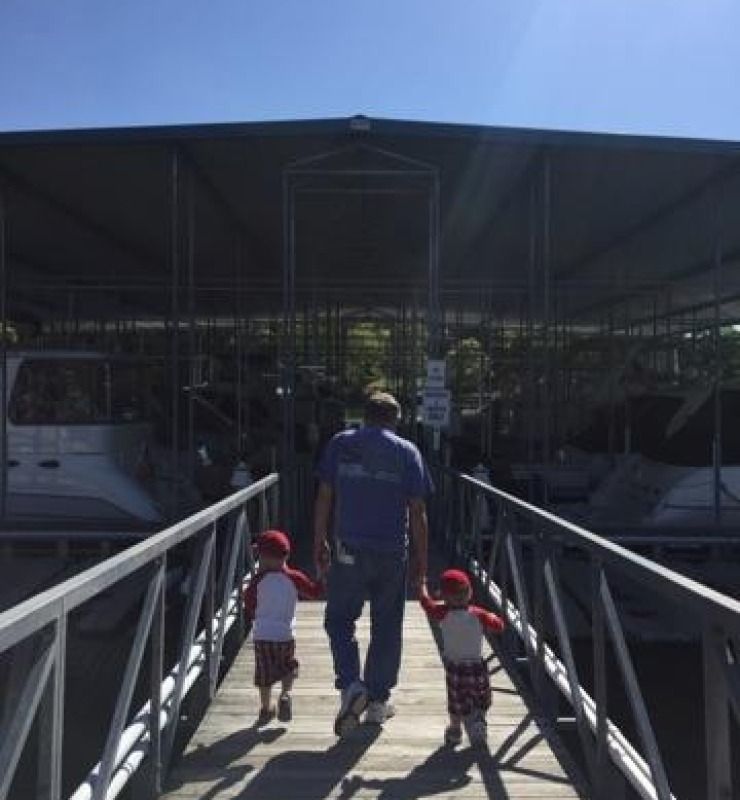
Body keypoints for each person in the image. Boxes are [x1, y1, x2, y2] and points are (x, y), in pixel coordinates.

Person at [313, 391, 433, 736]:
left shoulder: (340, 443)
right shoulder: (407, 451)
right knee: (387, 624)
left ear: (363, 416)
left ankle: (352, 685)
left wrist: (319, 539)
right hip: (392, 551)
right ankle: (378, 702)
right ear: (395, 419)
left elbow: (324, 495)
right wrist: (422, 564)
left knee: (339, 619)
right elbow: (418, 511)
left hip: (348, 547)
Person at [243, 530, 323, 724]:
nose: (259, 561)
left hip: (262, 635)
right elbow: (315, 592)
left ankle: (265, 708)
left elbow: (249, 603)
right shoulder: (294, 578)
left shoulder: (258, 582)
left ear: (267, 559)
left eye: (260, 556)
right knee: (288, 667)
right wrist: (321, 573)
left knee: (264, 674)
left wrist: (253, 614)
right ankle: (286, 694)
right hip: (285, 635)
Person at [419, 568, 504, 746]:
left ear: (444, 596)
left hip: (455, 667)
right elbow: (499, 626)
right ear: (469, 592)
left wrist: (422, 587)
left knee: (456, 701)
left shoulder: (442, 613)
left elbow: (427, 604)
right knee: (481, 697)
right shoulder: (478, 614)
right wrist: (494, 617)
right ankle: (479, 720)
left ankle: (455, 730)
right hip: (476, 665)